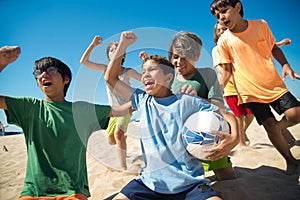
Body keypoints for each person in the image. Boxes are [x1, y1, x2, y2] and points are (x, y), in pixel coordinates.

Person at [104, 31, 239, 200]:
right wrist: (123, 45)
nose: (145, 74)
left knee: (221, 183)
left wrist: (235, 136)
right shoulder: (143, 100)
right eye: (143, 71)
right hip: (149, 184)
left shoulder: (188, 101)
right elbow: (110, 78)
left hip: (191, 183)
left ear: (169, 78)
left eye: (151, 70)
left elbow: (226, 114)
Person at [0, 55, 127, 199]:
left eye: (51, 70)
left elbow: (120, 110)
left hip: (72, 192)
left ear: (66, 79)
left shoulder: (80, 111)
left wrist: (151, 93)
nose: (43, 75)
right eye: (38, 73)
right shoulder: (30, 108)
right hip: (34, 192)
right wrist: (1, 62)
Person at [210, 0, 300, 174]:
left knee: (295, 114)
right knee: (269, 125)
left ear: (237, 7)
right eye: (216, 15)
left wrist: (285, 65)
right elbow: (226, 71)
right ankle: (290, 161)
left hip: (273, 85)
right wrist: (217, 89)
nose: (221, 17)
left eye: (224, 11)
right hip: (248, 91)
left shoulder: (260, 25)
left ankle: (281, 128)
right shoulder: (223, 42)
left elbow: (273, 48)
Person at [167, 31, 238, 180]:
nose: (179, 61)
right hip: (178, 141)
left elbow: (220, 108)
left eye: (185, 57)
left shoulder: (207, 75)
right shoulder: (169, 80)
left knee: (227, 177)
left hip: (206, 135)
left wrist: (196, 98)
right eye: (175, 56)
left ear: (196, 57)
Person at [80, 35, 141, 170]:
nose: (116, 51)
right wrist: (92, 45)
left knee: (118, 134)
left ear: (123, 54)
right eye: (112, 49)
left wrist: (147, 61)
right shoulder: (105, 69)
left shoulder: (128, 71)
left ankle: (123, 167)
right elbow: (83, 61)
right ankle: (123, 146)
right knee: (111, 139)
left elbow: (144, 80)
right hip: (113, 110)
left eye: (118, 48)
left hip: (127, 107)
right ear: (108, 55)